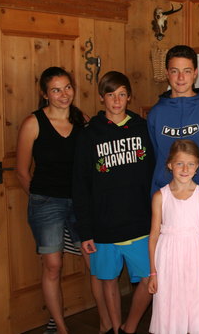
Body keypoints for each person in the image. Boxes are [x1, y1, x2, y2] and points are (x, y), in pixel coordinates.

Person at [16, 67, 110, 334]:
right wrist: (40, 200)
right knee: (53, 266)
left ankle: (106, 323)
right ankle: (60, 326)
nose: (63, 94)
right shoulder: (33, 123)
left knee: (96, 262)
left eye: (67, 87)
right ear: (45, 94)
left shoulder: (82, 120)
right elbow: (23, 173)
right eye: (56, 90)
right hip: (47, 202)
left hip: (81, 203)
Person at [72, 71, 155, 334]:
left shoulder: (143, 128)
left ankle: (130, 327)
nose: (117, 101)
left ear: (129, 97)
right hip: (104, 225)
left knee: (149, 278)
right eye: (111, 95)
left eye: (121, 94)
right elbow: (80, 185)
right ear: (101, 98)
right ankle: (115, 328)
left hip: (140, 223)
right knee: (108, 280)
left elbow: (155, 173)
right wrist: (85, 230)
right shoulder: (88, 136)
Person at [148, 140, 199, 334]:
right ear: (170, 165)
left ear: (197, 166)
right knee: (172, 302)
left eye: (191, 164)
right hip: (168, 259)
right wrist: (153, 272)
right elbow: (153, 235)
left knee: (195, 304)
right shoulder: (161, 196)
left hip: (196, 257)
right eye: (179, 164)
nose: (185, 169)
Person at [148, 45, 199, 194]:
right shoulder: (156, 113)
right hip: (165, 196)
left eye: (187, 71)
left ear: (195, 73)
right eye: (175, 71)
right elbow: (154, 155)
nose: (181, 78)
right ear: (167, 73)